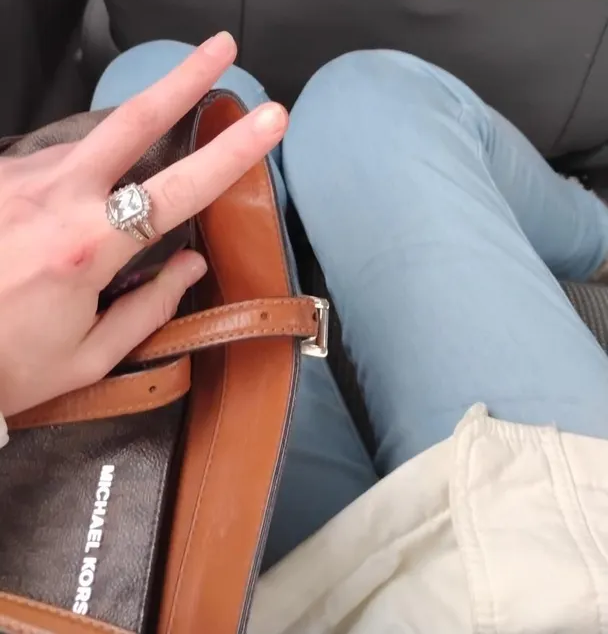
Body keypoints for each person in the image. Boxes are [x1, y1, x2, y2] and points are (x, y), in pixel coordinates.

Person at [2, 34, 608, 633]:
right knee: (369, 99)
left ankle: (283, 230)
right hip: (539, 570)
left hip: (263, 596)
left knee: (164, 87)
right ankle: (598, 241)